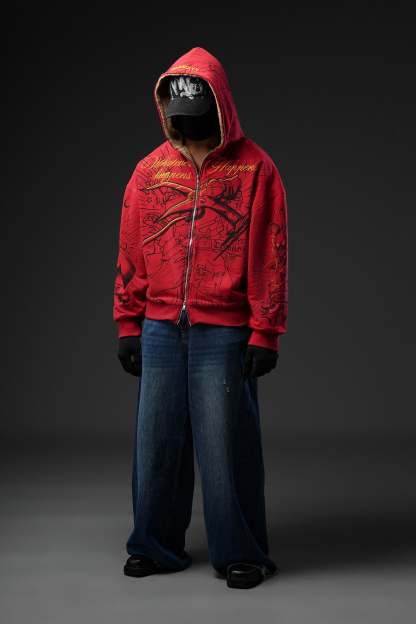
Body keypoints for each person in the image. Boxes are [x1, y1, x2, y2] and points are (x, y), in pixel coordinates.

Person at [113, 46, 288, 590]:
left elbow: (270, 253)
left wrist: (265, 331)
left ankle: (242, 553)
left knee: (226, 445)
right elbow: (131, 249)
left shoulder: (255, 169)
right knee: (156, 443)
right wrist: (128, 322)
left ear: (221, 106)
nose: (186, 126)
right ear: (165, 111)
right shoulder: (149, 171)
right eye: (178, 114)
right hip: (160, 328)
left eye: (196, 114)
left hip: (225, 330)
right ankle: (154, 544)